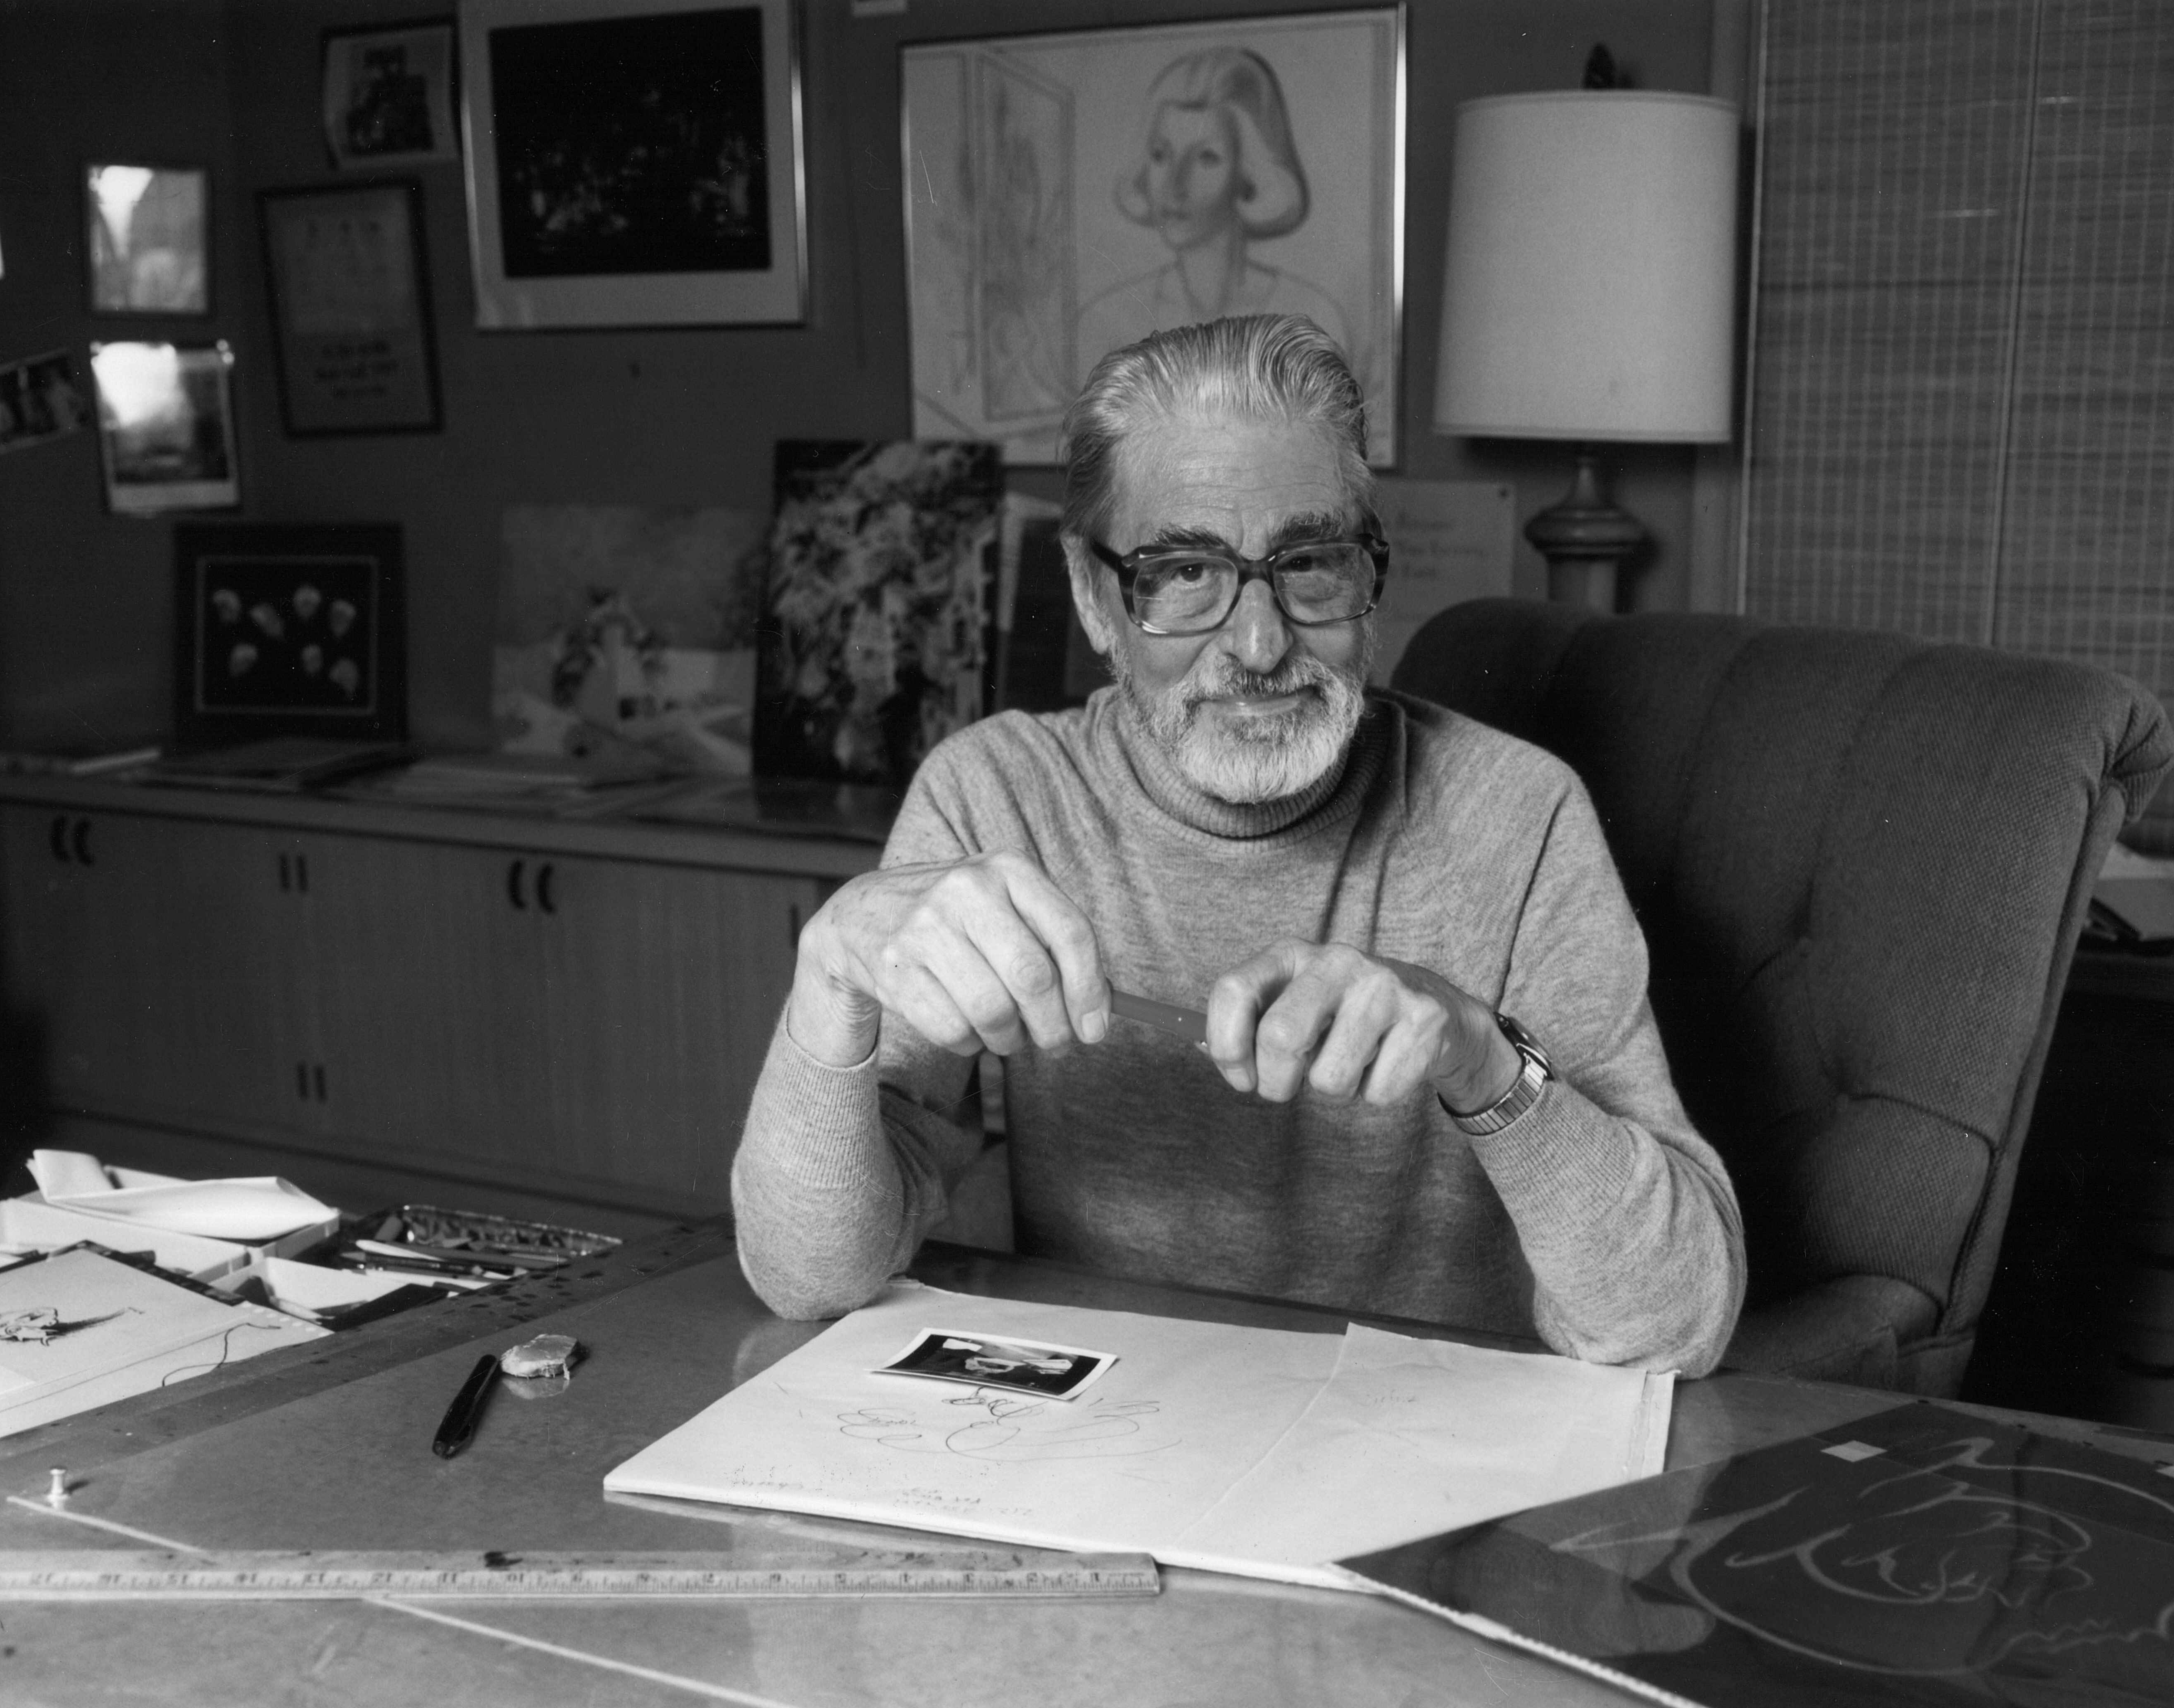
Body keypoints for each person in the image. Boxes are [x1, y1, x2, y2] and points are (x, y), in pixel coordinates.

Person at [733, 314, 1744, 1376]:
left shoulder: (1519, 816)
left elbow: (1673, 1327)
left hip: (1417, 1466)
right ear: (1093, 596)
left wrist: (1477, 1053)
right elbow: (808, 1277)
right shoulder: (995, 797)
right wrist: (831, 972)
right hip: (1106, 1453)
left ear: (1370, 575)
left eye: (1309, 564)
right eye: (1183, 574)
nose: (1258, 646)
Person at [1073, 49, 1353, 379]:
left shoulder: (1312, 316)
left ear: (1247, 174)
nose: (1175, 186)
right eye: (1161, 155)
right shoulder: (1108, 321)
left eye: (1206, 158)